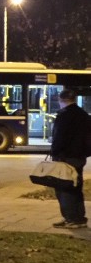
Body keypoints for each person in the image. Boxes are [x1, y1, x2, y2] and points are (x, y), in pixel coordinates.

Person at [49, 88, 88, 229]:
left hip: (65, 157)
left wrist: (55, 152)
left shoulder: (63, 116)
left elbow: (59, 138)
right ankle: (79, 217)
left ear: (61, 100)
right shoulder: (83, 114)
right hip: (79, 157)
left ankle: (71, 218)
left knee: (64, 188)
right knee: (76, 187)